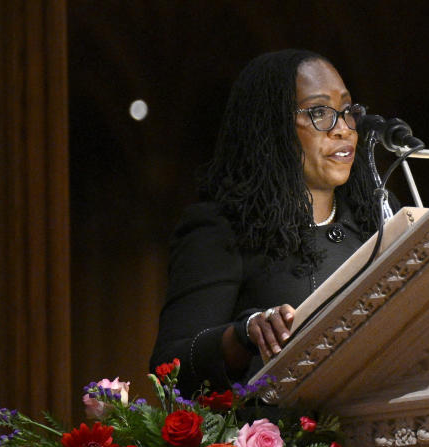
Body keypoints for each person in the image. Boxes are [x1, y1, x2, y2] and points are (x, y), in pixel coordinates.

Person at [150, 49, 379, 396]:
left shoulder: (376, 218)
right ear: (272, 127)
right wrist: (243, 335)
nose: (343, 129)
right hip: (280, 442)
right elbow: (170, 367)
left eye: (347, 111)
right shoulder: (224, 229)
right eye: (319, 112)